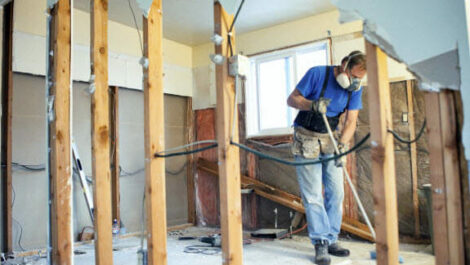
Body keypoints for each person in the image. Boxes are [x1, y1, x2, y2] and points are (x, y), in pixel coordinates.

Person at [286, 51, 366, 265]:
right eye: (354, 76)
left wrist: (342, 144)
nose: (356, 81)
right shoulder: (317, 74)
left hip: (331, 138)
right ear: (343, 66)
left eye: (360, 78)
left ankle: (331, 239)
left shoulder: (354, 90)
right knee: (313, 195)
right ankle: (320, 242)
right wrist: (310, 104)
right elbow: (291, 99)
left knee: (336, 192)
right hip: (307, 137)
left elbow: (350, 122)